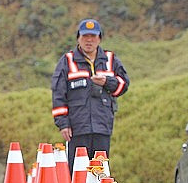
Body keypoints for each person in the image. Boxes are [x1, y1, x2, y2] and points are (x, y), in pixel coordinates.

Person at [51, 19, 130, 172]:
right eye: (85, 36)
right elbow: (58, 94)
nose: (89, 40)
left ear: (99, 38)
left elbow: (123, 86)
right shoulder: (67, 61)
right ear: (78, 38)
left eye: (93, 36)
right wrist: (63, 124)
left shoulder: (111, 59)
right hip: (77, 128)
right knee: (78, 172)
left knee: (101, 172)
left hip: (102, 127)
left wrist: (107, 82)